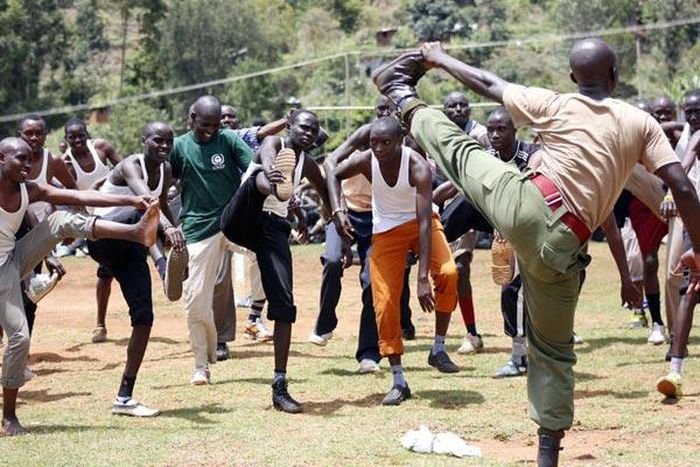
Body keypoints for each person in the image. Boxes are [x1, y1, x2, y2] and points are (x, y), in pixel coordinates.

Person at [371, 38, 700, 465]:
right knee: (554, 352)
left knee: (462, 151)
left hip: (527, 205)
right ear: (616, 77)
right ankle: (548, 453)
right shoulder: (641, 123)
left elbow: (489, 83)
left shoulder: (555, 103)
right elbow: (684, 188)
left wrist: (438, 59)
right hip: (564, 247)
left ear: (571, 77)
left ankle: (401, 94)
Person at [0, 136, 159, 435]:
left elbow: (78, 196)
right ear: (1, 158)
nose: (28, 165)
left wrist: (131, 200)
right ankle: (9, 417)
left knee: (62, 218)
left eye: (30, 160)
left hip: (12, 258)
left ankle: (136, 233)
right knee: (20, 337)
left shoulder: (30, 189)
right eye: (20, 159)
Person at [328, 116, 458, 405]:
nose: (378, 148)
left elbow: (424, 222)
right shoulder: (365, 160)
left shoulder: (417, 166)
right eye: (374, 142)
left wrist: (423, 277)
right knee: (384, 301)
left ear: (400, 142)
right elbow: (333, 173)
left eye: (385, 142)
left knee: (448, 272)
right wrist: (338, 212)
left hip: (422, 222)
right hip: (386, 230)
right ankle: (399, 380)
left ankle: (438, 348)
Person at [220, 109, 330, 413]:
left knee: (284, 304)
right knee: (258, 179)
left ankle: (280, 386)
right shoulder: (273, 142)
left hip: (273, 228)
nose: (308, 133)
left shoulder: (307, 164)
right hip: (242, 217)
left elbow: (324, 190)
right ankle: (273, 183)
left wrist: (324, 216)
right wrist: (271, 172)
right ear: (291, 125)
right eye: (303, 127)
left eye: (313, 130)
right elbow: (268, 153)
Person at [310, 96, 415, 373]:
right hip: (345, 212)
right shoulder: (364, 140)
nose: (384, 112)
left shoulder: (406, 148)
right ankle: (324, 324)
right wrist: (337, 210)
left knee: (371, 283)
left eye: (391, 109)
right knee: (332, 261)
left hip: (379, 220)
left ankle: (368, 354)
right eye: (380, 108)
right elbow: (331, 162)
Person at [88, 122, 184, 416]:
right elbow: (148, 201)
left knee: (144, 318)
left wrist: (178, 234)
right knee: (141, 211)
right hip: (104, 237)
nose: (164, 146)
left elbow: (164, 207)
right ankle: (161, 265)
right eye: (158, 140)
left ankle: (124, 397)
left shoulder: (166, 171)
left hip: (132, 245)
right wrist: (168, 231)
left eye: (169, 141)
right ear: (144, 140)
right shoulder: (131, 164)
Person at [169, 95, 253, 385]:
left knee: (272, 256)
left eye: (215, 125)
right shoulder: (179, 147)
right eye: (205, 124)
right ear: (191, 118)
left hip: (233, 223)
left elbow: (253, 170)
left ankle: (257, 317)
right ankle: (201, 364)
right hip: (197, 230)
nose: (210, 130)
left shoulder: (228, 140)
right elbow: (162, 186)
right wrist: (169, 226)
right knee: (195, 302)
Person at [62, 117, 122, 343]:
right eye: (72, 137)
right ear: (66, 139)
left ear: (87, 134)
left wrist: (101, 184)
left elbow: (125, 167)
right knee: (105, 271)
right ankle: (100, 323)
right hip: (93, 220)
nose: (77, 140)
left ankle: (136, 314)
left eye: (80, 135)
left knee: (119, 267)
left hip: (117, 211)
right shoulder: (66, 162)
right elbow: (73, 198)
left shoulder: (101, 148)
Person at [656, 125, 700, 397]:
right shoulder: (698, 137)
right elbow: (683, 166)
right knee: (690, 290)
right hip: (697, 222)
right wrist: (672, 193)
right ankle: (675, 370)